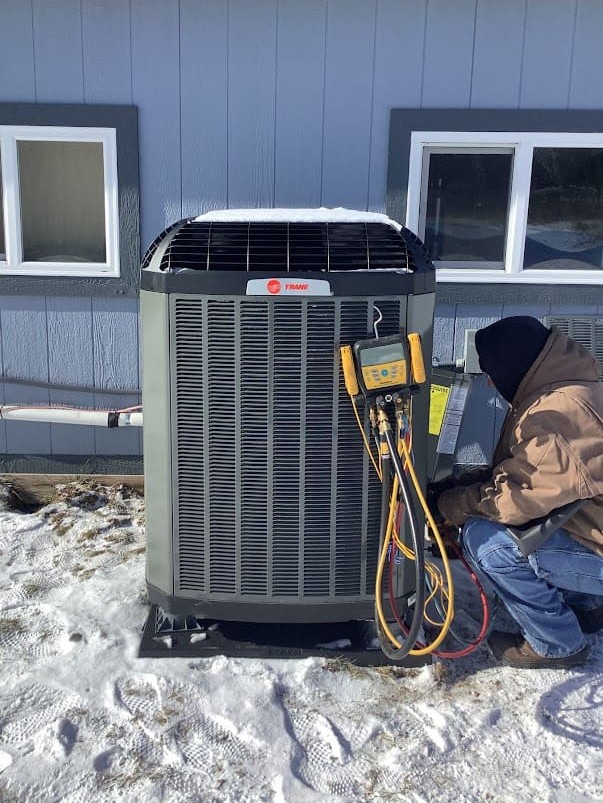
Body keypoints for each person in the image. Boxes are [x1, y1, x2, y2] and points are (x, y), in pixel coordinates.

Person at [435, 316, 603, 668]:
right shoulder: (571, 387)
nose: (492, 382)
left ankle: (557, 643)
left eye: (492, 372)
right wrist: (463, 484)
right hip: (593, 525)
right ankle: (586, 608)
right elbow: (545, 477)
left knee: (487, 541)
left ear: (514, 364)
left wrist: (447, 506)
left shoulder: (556, 413)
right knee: (554, 519)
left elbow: (513, 502)